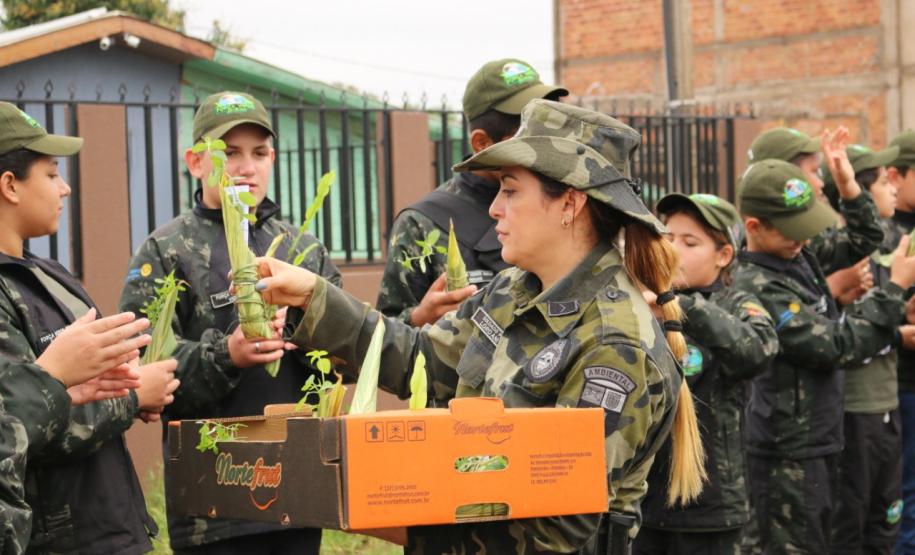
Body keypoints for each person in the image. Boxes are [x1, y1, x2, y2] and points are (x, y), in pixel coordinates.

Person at [252, 99, 706, 554]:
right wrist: (313, 295)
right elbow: (422, 361)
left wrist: (374, 512)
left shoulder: (615, 343)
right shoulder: (512, 290)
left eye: (510, 191)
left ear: (569, 203)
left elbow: (553, 533)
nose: (493, 209)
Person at [118, 91, 341, 554]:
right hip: (212, 501)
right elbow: (140, 360)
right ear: (196, 162)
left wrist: (307, 328)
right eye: (228, 153)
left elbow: (344, 356)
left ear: (272, 159)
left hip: (297, 489)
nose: (246, 167)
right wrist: (227, 354)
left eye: (259, 153)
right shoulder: (167, 251)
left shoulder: (302, 249)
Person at [0, 101, 179, 554]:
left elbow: (78, 390)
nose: (65, 188)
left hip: (111, 529)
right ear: (10, 185)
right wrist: (134, 397)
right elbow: (21, 427)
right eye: (51, 173)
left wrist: (128, 382)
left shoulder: (47, 273)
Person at [732, 128, 915, 554]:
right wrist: (895, 291)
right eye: (791, 231)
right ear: (755, 227)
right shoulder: (759, 285)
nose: (802, 240)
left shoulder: (794, 256)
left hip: (820, 437)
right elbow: (835, 344)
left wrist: (849, 186)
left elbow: (865, 238)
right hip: (788, 453)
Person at [633, 193, 778, 555]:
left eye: (690, 241)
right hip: (644, 504)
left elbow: (759, 348)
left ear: (724, 255)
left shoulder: (733, 304)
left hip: (711, 510)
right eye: (667, 238)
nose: (672, 249)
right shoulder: (639, 304)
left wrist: (678, 305)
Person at [377, 58, 567, 327]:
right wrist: (421, 317)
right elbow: (382, 337)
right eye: (526, 135)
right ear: (481, 142)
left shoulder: (563, 201)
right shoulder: (422, 223)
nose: (543, 143)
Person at [817, 143, 905, 554]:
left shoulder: (885, 246)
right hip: (854, 406)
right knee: (851, 522)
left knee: (886, 517)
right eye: (884, 182)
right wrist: (896, 328)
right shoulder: (838, 254)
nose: (892, 190)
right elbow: (838, 337)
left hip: (885, 400)